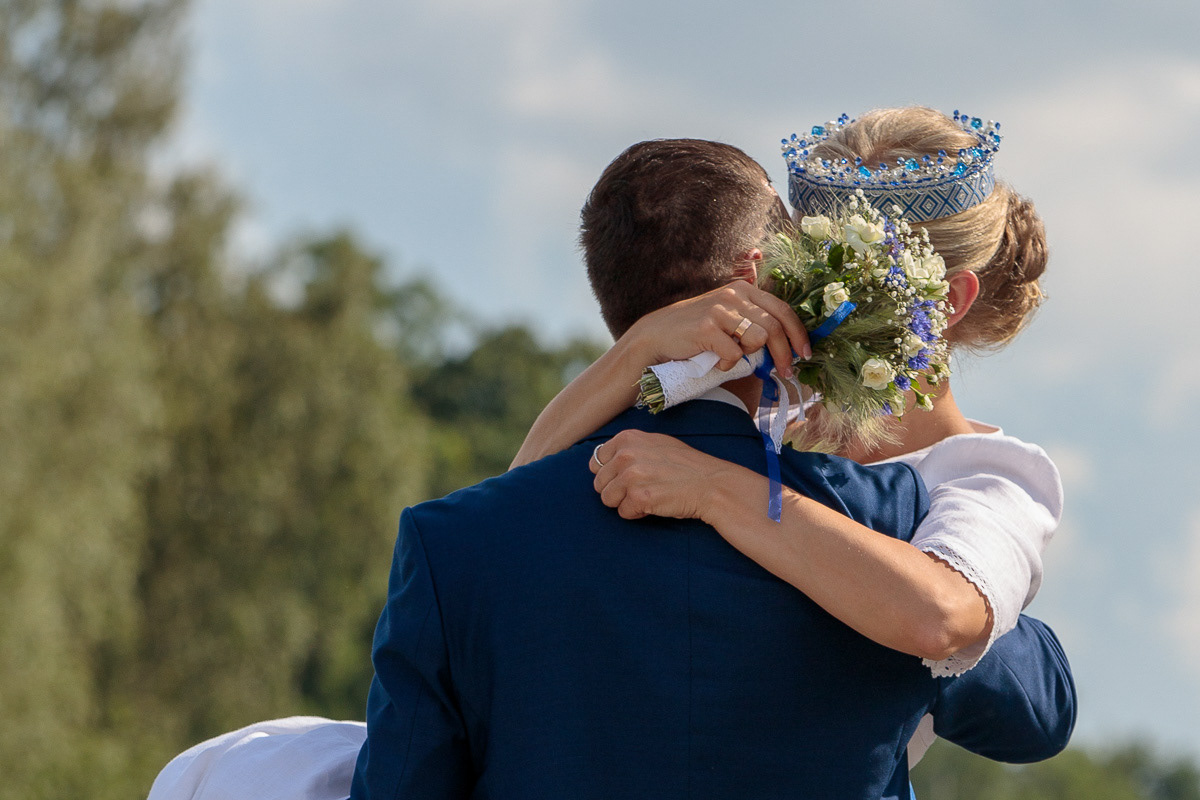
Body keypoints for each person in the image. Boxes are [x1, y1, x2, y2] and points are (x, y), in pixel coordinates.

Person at [147, 136, 1073, 800]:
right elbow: (1033, 707)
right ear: (758, 281)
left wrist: (655, 389)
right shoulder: (890, 526)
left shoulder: (456, 543)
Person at [512, 107, 1063, 758]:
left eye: (848, 273)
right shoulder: (758, 408)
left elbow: (940, 615)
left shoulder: (987, 478)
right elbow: (522, 501)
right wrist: (641, 346)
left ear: (946, 303)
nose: (802, 296)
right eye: (802, 263)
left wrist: (714, 489)